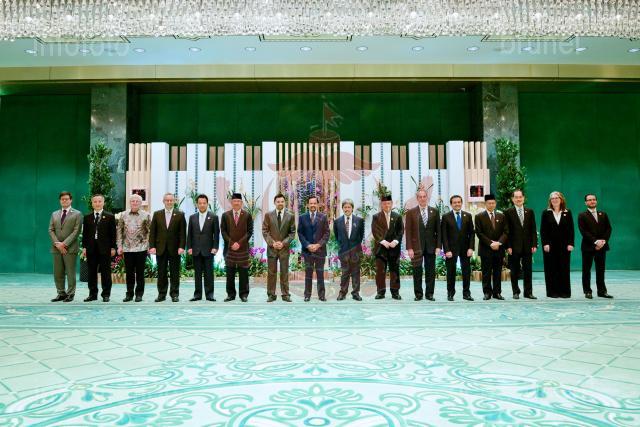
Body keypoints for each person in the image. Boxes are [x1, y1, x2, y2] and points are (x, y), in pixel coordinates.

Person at [149, 192, 186, 302]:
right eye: (167, 200)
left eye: (171, 200)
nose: (169, 202)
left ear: (174, 201)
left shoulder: (180, 214)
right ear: (163, 201)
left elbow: (183, 233)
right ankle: (161, 294)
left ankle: (174, 294)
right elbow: (152, 232)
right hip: (160, 248)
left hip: (175, 249)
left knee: (175, 273)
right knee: (161, 273)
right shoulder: (157, 214)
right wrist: (152, 246)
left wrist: (182, 246)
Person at [405, 189, 441, 301]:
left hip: (431, 247)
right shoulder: (411, 212)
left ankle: (429, 294)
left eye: (424, 196)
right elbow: (408, 231)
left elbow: (438, 231)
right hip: (416, 247)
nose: (422, 198)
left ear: (427, 197)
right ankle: (418, 294)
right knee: (417, 271)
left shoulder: (435, 211)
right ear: (417, 198)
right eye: (420, 197)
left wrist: (438, 246)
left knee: (430, 271)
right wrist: (409, 248)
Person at [81, 194, 117, 302]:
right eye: (95, 201)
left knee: (106, 272)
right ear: (92, 203)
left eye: (99, 201)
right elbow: (85, 234)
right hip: (91, 249)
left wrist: (113, 247)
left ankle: (106, 294)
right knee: (91, 272)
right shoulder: (87, 217)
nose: (97, 203)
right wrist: (84, 247)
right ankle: (92, 294)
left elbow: (113, 234)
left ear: (103, 203)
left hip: (105, 249)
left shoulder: (109, 216)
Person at [504, 189, 538, 299]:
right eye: (516, 197)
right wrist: (508, 246)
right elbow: (506, 231)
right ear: (512, 199)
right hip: (513, 247)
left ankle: (528, 292)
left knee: (528, 270)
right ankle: (516, 292)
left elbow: (533, 229)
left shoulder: (530, 211)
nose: (518, 199)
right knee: (514, 270)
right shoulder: (508, 212)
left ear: (523, 198)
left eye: (520, 197)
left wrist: (534, 244)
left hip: (528, 246)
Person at [48, 191, 82, 302]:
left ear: (71, 200)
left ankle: (70, 294)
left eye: (66, 199)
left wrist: (64, 244)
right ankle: (61, 293)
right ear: (60, 201)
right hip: (56, 248)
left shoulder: (77, 214)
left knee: (70, 272)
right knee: (58, 272)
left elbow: (76, 231)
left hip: (70, 248)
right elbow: (50, 230)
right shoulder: (54, 214)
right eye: (62, 199)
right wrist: (58, 244)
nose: (64, 201)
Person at [578, 194, 613, 299]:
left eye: (593, 199)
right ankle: (587, 291)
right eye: (589, 200)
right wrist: (596, 242)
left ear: (596, 201)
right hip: (588, 247)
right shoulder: (582, 215)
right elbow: (584, 231)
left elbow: (608, 229)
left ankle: (602, 291)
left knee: (601, 270)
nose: (592, 201)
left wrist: (603, 241)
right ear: (586, 202)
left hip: (602, 246)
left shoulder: (603, 214)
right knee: (586, 270)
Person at [262, 193, 296, 302]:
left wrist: (283, 243)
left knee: (284, 272)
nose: (280, 203)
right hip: (272, 249)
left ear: (284, 202)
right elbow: (265, 231)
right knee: (271, 273)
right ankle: (271, 294)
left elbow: (292, 233)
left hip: (284, 249)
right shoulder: (268, 215)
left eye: (282, 201)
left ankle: (285, 294)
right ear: (274, 203)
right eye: (278, 201)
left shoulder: (290, 215)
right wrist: (272, 243)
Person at [540, 191, 574, 298]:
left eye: (557, 198)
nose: (554, 200)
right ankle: (552, 292)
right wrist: (545, 243)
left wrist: (571, 243)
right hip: (550, 246)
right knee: (551, 268)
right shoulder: (546, 213)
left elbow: (571, 229)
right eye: (552, 198)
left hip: (564, 246)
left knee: (564, 268)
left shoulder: (568, 212)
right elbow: (543, 230)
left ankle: (564, 292)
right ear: (550, 201)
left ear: (561, 199)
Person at [117, 194, 151, 302]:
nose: (135, 203)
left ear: (141, 203)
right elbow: (119, 231)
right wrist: (119, 246)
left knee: (140, 273)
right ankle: (129, 294)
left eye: (137, 201)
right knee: (129, 273)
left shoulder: (146, 215)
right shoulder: (123, 215)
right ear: (130, 202)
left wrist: (149, 245)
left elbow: (150, 231)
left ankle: (139, 294)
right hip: (127, 248)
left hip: (141, 248)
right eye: (133, 201)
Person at [441, 195, 475, 301]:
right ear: (451, 204)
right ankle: (450, 293)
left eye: (459, 202)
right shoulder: (446, 217)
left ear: (461, 203)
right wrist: (447, 250)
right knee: (451, 272)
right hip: (451, 250)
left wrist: (471, 248)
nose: (457, 204)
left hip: (465, 249)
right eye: (455, 202)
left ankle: (466, 293)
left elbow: (472, 233)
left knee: (466, 272)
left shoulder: (468, 216)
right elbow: (444, 235)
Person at [221, 193, 253, 302]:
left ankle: (244, 294)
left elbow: (249, 231)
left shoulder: (247, 215)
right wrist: (231, 243)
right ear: (231, 202)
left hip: (242, 249)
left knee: (243, 273)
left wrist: (239, 243)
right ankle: (230, 294)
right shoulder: (225, 215)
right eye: (234, 201)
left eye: (238, 201)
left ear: (241, 203)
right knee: (230, 273)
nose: (236, 203)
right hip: (230, 249)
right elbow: (223, 231)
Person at [187, 194, 220, 302]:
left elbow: (216, 234)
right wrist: (189, 247)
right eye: (200, 203)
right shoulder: (192, 217)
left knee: (209, 273)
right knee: (197, 274)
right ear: (197, 204)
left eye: (204, 203)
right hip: (196, 250)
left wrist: (215, 247)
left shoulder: (213, 217)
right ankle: (197, 295)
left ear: (207, 204)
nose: (202, 205)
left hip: (209, 250)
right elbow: (189, 234)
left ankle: (209, 294)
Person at [475, 194, 507, 300]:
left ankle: (497, 293)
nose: (491, 205)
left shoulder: (501, 216)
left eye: (493, 203)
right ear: (485, 204)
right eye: (489, 203)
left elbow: (506, 232)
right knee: (486, 272)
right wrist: (490, 243)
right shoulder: (479, 216)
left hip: (499, 249)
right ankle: (487, 293)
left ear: (495, 204)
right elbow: (479, 233)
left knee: (498, 272)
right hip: (486, 249)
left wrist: (499, 243)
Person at [371, 194, 404, 300]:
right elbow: (375, 231)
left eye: (388, 203)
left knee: (394, 270)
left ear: (392, 203)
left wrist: (395, 241)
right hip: (381, 249)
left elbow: (401, 230)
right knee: (380, 271)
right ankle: (380, 292)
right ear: (381, 205)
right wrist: (383, 241)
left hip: (394, 248)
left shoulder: (397, 216)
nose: (387, 205)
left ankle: (395, 292)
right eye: (384, 203)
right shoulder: (376, 217)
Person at [298, 195, 330, 302]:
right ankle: (307, 295)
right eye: (311, 203)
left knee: (320, 274)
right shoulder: (302, 217)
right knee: (308, 274)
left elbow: (327, 233)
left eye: (314, 203)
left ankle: (322, 295)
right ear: (307, 205)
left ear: (318, 204)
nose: (312, 205)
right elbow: (300, 233)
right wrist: (308, 245)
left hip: (320, 250)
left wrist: (318, 245)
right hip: (308, 251)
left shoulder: (323, 217)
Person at [333, 199, 365, 301]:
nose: (347, 209)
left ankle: (355, 293)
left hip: (356, 252)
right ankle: (342, 293)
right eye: (345, 207)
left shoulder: (359, 221)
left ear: (352, 208)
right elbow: (337, 237)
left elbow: (360, 236)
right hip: (344, 252)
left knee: (356, 273)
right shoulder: (337, 222)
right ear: (342, 208)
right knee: (344, 273)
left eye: (349, 207)